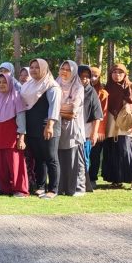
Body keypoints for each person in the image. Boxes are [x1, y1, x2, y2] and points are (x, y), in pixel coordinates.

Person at [20, 58, 61, 199]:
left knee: (51, 158)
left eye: (37, 67)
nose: (33, 70)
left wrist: (50, 126)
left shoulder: (51, 86)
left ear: (44, 68)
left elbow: (54, 108)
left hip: (47, 126)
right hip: (32, 127)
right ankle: (41, 186)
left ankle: (53, 189)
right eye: (31, 67)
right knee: (38, 158)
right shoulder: (28, 85)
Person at [102, 64, 132, 190]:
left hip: (125, 124)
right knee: (112, 152)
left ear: (125, 74)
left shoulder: (131, 87)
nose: (117, 75)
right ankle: (116, 179)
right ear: (110, 74)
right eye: (114, 72)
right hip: (110, 125)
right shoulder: (106, 88)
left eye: (120, 72)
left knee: (126, 152)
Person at [0, 73, 28, 197]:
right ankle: (5, 189)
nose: (1, 84)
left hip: (12, 135)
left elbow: (21, 120)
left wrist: (21, 138)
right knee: (1, 164)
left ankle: (20, 189)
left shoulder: (16, 97)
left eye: (4, 82)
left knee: (15, 163)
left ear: (10, 83)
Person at [56, 60, 86, 196]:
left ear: (73, 72)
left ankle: (77, 187)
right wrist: (63, 109)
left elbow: (73, 109)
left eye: (68, 70)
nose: (65, 72)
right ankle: (61, 186)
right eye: (63, 68)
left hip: (73, 128)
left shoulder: (78, 87)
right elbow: (49, 106)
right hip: (58, 126)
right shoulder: (56, 84)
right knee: (59, 157)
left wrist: (57, 109)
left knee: (74, 157)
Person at [78, 65, 104, 189]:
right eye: (81, 77)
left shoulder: (91, 92)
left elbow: (97, 115)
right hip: (70, 130)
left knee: (84, 157)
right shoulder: (68, 90)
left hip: (86, 130)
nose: (85, 79)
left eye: (87, 77)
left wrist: (94, 133)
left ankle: (84, 183)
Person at [88, 66, 109, 183]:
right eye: (90, 75)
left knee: (95, 155)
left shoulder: (103, 93)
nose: (93, 78)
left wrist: (101, 130)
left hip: (97, 128)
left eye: (96, 76)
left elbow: (104, 113)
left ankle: (92, 178)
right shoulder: (79, 89)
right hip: (83, 127)